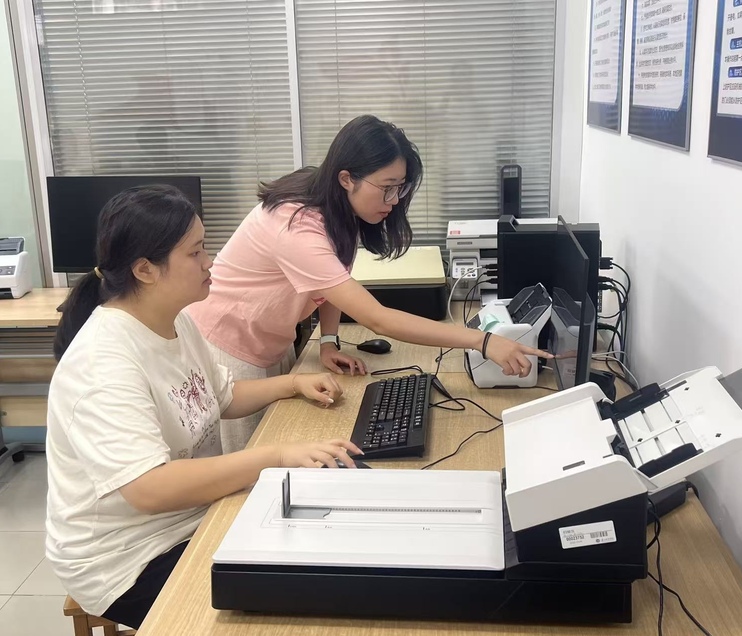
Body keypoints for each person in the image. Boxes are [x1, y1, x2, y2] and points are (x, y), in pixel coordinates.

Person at [45, 185, 361, 630]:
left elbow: (220, 397)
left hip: (194, 516)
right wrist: (275, 456)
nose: (209, 262)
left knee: (330, 545)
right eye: (195, 253)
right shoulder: (103, 362)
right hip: (130, 558)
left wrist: (292, 384)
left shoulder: (176, 321)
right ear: (145, 270)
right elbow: (149, 489)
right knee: (296, 605)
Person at [188, 114, 552, 453]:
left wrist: (328, 342)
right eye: (387, 188)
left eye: (400, 188)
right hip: (228, 344)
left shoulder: (336, 205)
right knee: (252, 462)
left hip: (269, 337)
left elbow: (331, 282)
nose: (394, 201)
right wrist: (482, 341)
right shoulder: (296, 224)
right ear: (347, 179)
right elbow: (378, 319)